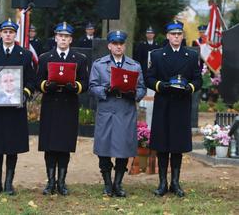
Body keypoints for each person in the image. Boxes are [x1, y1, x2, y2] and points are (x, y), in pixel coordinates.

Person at [146, 20, 202, 197]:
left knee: (177, 145)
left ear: (182, 36)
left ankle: (175, 183)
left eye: (179, 34)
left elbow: (198, 79)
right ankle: (162, 183)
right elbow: (148, 78)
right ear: (168, 36)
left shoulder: (191, 55)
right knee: (162, 144)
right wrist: (160, 85)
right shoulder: (156, 55)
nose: (176, 37)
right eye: (173, 34)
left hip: (181, 103)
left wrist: (190, 87)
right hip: (163, 103)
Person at [0, 19, 36, 196]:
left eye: (11, 32)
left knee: (13, 145)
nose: (8, 35)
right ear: (1, 34)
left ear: (15, 35)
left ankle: (9, 184)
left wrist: (24, 95)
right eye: (5, 32)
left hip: (16, 109)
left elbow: (31, 80)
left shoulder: (24, 55)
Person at [89, 30, 146, 197]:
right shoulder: (99, 64)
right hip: (107, 109)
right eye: (115, 44)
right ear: (109, 46)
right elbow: (92, 86)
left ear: (125, 46)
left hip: (125, 110)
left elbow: (141, 87)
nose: (118, 47)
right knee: (104, 147)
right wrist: (105, 90)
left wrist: (134, 94)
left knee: (123, 148)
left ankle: (118, 183)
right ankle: (107, 183)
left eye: (121, 44)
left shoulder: (134, 65)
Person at [37, 22, 89, 196]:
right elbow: (38, 81)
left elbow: (85, 83)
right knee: (50, 145)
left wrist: (76, 87)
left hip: (69, 105)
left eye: (66, 37)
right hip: (51, 104)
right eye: (60, 36)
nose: (63, 39)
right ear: (55, 37)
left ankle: (62, 182)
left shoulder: (79, 59)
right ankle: (50, 182)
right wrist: (46, 85)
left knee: (64, 145)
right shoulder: (45, 57)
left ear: (71, 39)